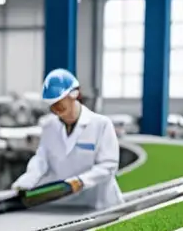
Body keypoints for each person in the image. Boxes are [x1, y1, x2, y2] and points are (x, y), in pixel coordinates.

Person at [12, 68, 122, 210]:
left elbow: (108, 165)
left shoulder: (101, 124)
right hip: (64, 204)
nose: (55, 109)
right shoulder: (49, 125)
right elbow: (42, 159)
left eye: (59, 103)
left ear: (74, 94)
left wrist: (81, 181)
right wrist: (28, 179)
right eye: (52, 105)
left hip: (99, 204)